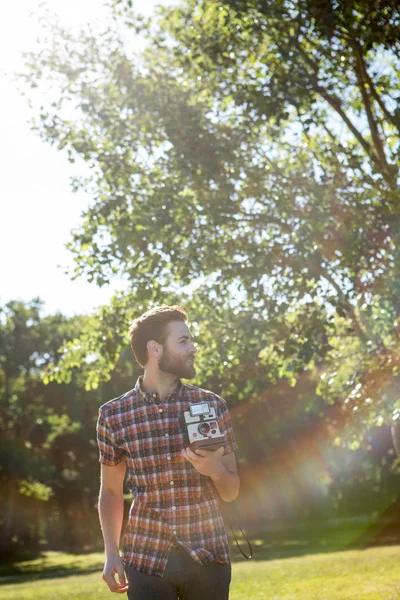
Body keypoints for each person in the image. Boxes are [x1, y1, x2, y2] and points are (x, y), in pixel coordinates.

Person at [96, 305, 240, 600]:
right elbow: (110, 491)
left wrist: (215, 471)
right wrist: (111, 553)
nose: (194, 348)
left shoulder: (212, 405)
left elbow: (231, 491)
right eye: (184, 341)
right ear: (155, 349)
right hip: (145, 559)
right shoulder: (113, 414)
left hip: (208, 556)